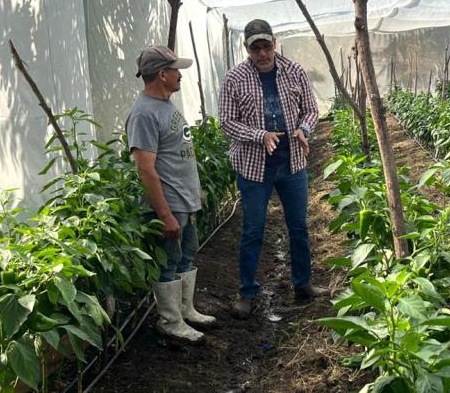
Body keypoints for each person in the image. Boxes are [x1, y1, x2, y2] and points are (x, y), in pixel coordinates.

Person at [219, 19, 327, 319]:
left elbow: (311, 109)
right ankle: (247, 292)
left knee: (299, 228)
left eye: (266, 46)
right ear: (247, 49)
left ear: (274, 44)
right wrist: (260, 135)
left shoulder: (294, 71)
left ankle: (303, 283)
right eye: (256, 48)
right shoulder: (234, 78)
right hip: (255, 168)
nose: (263, 53)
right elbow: (226, 122)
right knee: (253, 230)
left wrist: (304, 129)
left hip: (292, 163)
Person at [126, 46, 216, 342]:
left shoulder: (166, 105)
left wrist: (194, 192)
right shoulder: (143, 114)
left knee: (186, 256)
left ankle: (185, 311)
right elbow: (146, 170)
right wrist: (164, 214)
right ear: (162, 74)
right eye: (176, 70)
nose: (180, 75)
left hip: (183, 201)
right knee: (167, 263)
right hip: (168, 205)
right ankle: (170, 320)